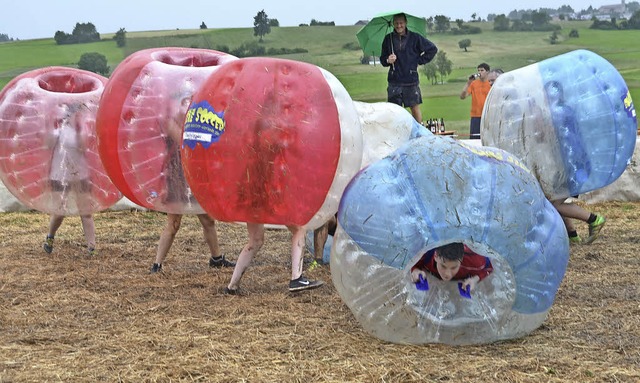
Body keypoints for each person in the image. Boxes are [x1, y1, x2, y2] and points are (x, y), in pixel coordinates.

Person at [43, 105, 96, 256]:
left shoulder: (83, 130)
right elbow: (47, 144)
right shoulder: (59, 130)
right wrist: (48, 125)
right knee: (59, 212)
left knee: (86, 212)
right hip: (60, 175)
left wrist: (80, 131)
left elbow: (83, 147)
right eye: (76, 115)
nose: (79, 117)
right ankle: (50, 237)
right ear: (69, 115)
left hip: (80, 175)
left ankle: (91, 247)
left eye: (81, 115)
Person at [224, 223, 324, 294]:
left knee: (255, 240)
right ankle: (296, 279)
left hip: (252, 199)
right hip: (271, 197)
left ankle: (232, 286)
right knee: (299, 229)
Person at [380, 13, 438, 124]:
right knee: (394, 111)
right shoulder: (388, 39)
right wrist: (388, 60)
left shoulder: (415, 38)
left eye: (401, 23)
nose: (399, 26)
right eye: (396, 23)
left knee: (414, 108)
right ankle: (397, 134)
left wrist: (418, 60)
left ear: (406, 23)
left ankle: (419, 134)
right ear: (393, 24)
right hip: (394, 81)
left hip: (411, 80)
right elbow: (382, 60)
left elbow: (432, 49)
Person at [410, 242, 493, 293]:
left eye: (454, 267)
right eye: (443, 266)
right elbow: (413, 263)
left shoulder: (475, 262)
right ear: (435, 256)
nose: (447, 274)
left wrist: (475, 279)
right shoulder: (426, 255)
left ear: (461, 259)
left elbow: (489, 268)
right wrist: (415, 271)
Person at [460, 63, 491, 139]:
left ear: (487, 72)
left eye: (482, 70)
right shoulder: (474, 84)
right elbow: (462, 96)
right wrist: (468, 83)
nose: (480, 72)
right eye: (478, 70)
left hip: (488, 115)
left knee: (488, 138)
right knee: (475, 139)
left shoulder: (490, 83)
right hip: (476, 116)